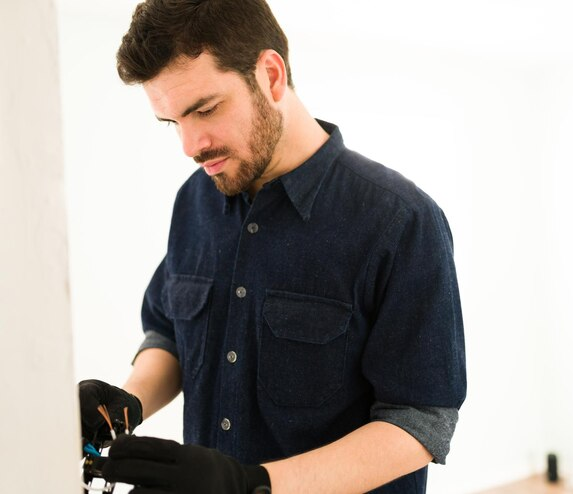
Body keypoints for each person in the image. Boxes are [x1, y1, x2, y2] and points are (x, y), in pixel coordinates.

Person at [78, 0, 467, 492]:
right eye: (173, 122)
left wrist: (252, 484)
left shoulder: (401, 221)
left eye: (205, 109)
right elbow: (171, 333)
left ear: (270, 74)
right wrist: (125, 404)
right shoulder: (195, 199)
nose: (191, 146)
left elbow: (421, 422)